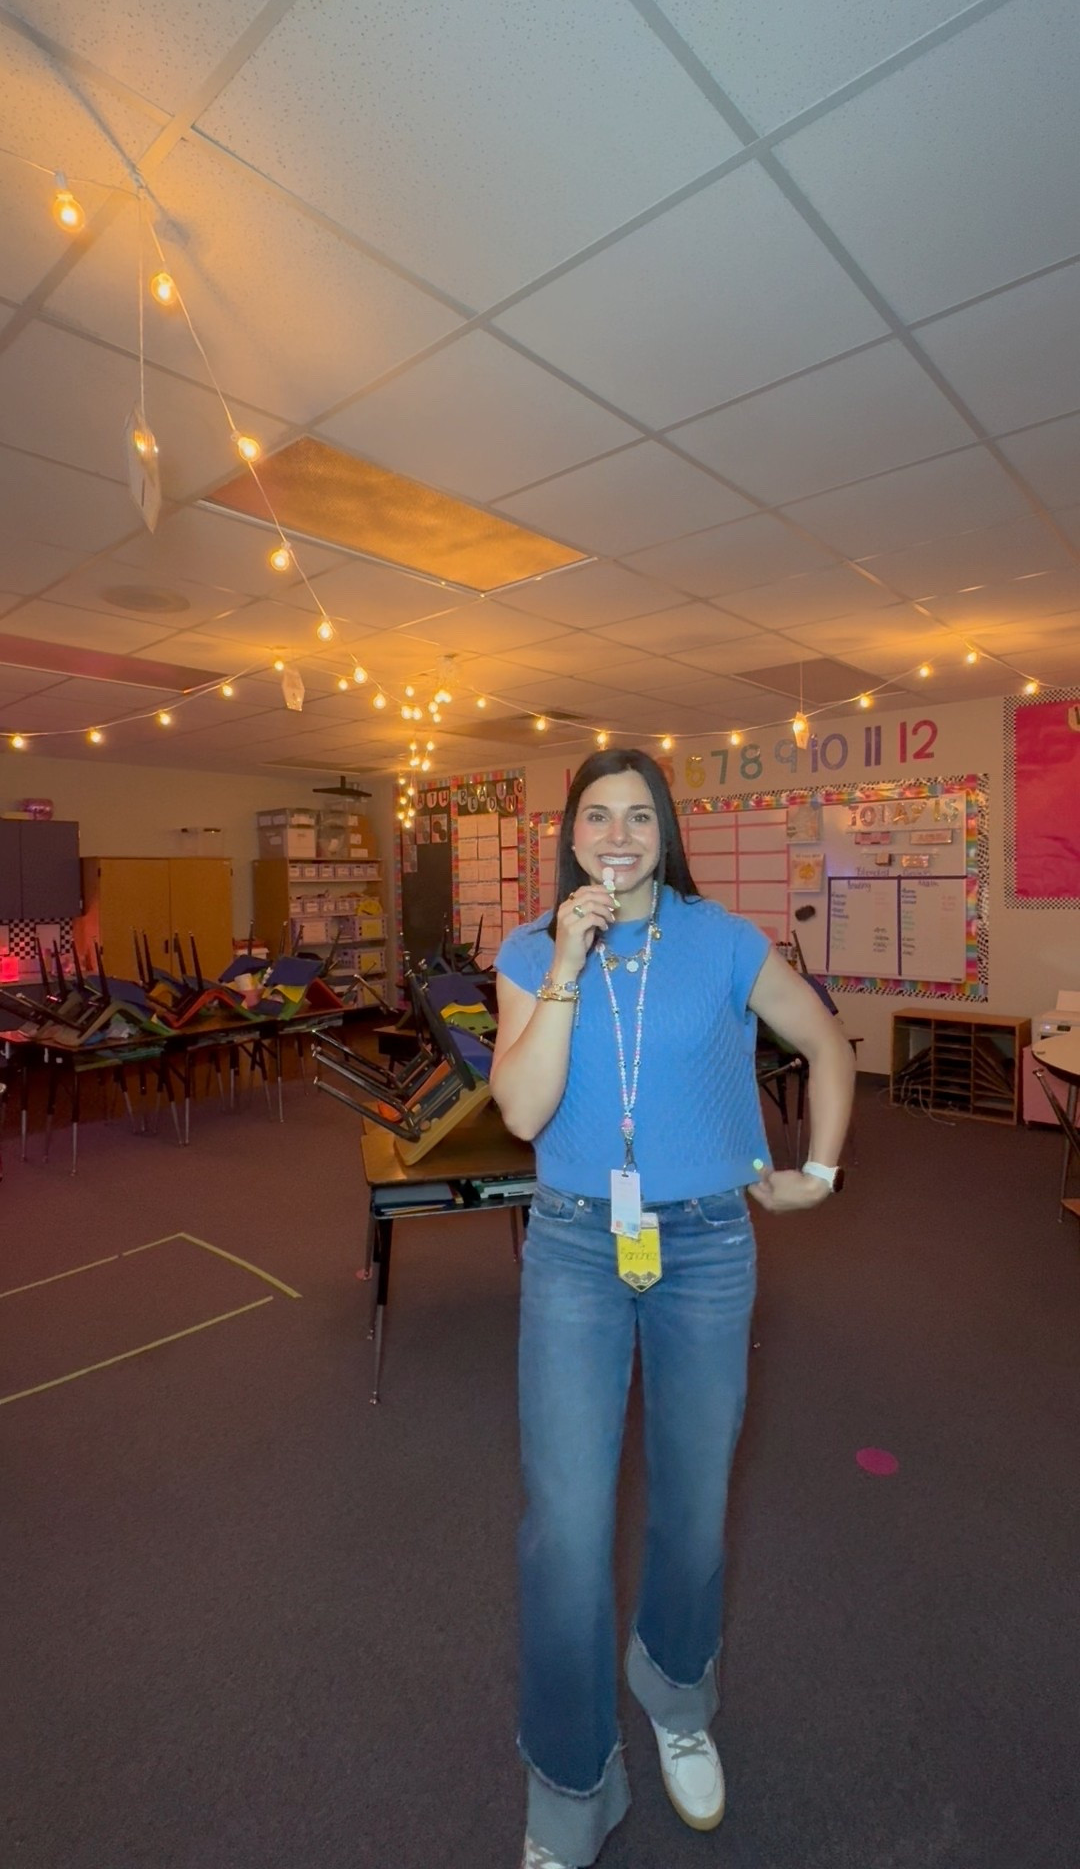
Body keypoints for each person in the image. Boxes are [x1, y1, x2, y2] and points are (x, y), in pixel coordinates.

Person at [491, 748, 855, 1869]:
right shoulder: (528, 949)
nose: (618, 834)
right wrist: (564, 956)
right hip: (571, 1245)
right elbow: (521, 1108)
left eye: (639, 816)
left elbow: (826, 1042)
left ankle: (675, 1690)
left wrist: (822, 1168)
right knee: (566, 1531)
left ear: (665, 833)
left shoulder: (724, 942)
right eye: (597, 815)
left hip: (702, 1245)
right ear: (571, 832)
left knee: (694, 1505)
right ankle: (569, 1782)